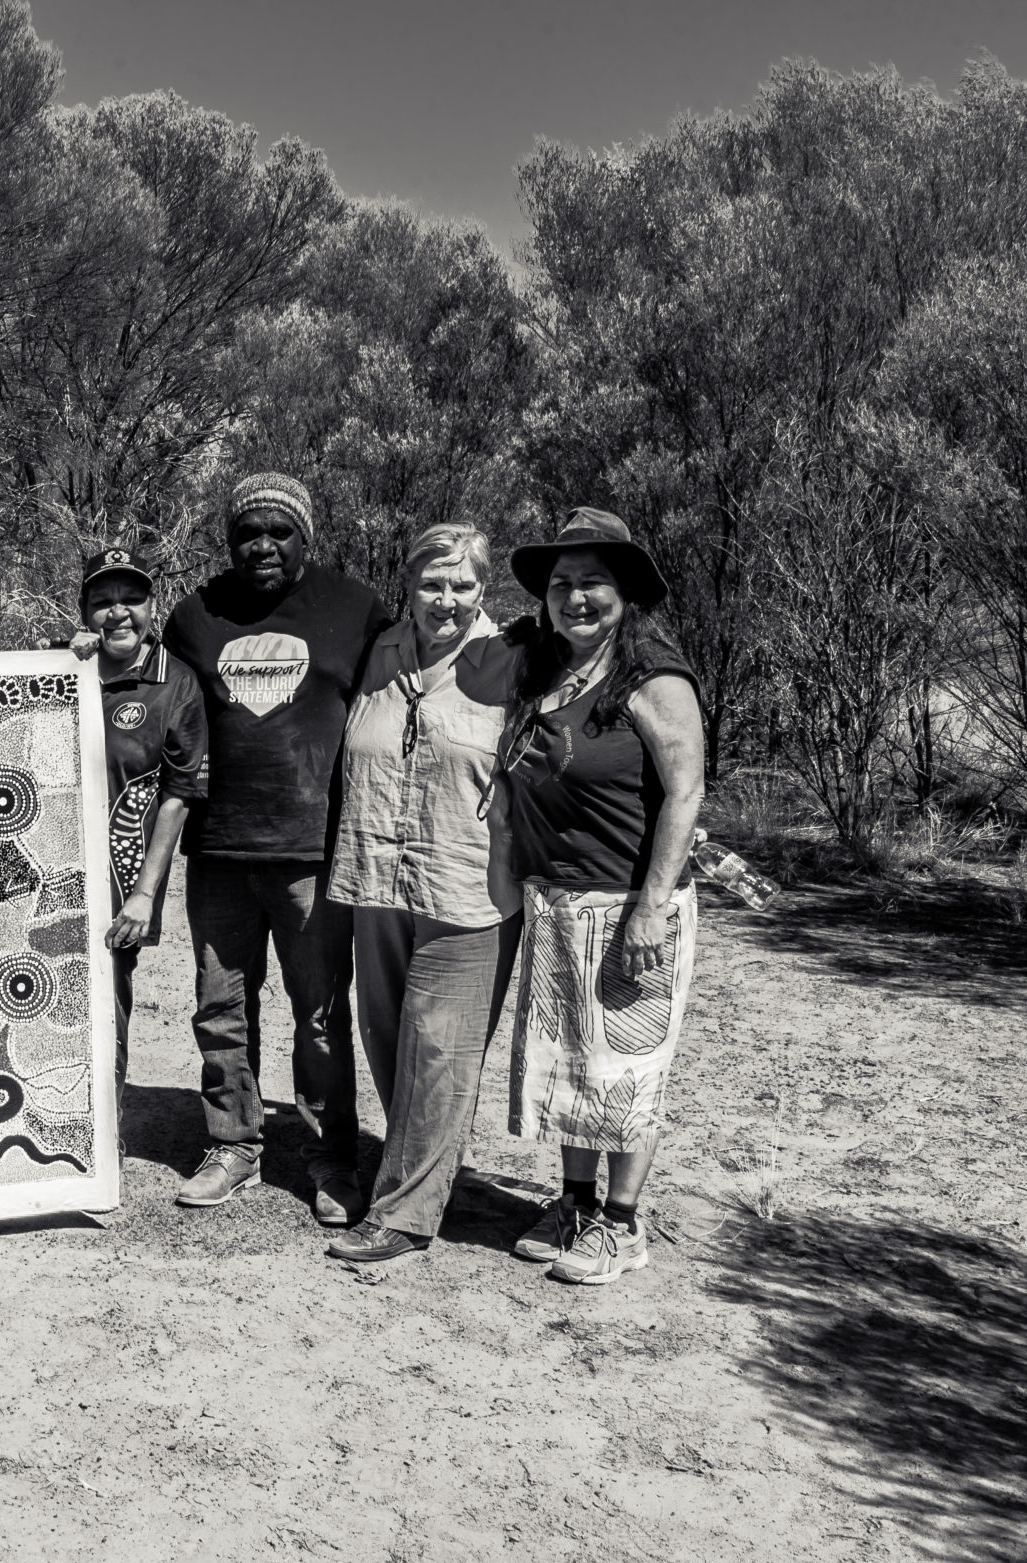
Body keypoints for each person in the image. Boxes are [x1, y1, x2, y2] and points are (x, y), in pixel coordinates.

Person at [161, 473, 386, 1217]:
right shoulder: (195, 615)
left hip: (312, 854)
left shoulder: (355, 609)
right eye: (246, 532)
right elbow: (152, 701)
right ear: (228, 541)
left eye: (278, 531)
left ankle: (330, 1159)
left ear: (306, 537)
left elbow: (417, 668)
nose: (262, 545)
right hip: (218, 850)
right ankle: (235, 1145)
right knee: (220, 1006)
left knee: (321, 1011)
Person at [497, 507, 707, 1285]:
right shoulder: (546, 667)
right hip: (558, 902)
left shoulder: (652, 676)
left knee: (628, 1067)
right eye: (561, 584)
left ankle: (623, 1221)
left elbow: (686, 791)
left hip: (629, 906)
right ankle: (575, 1202)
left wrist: (652, 905)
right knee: (571, 1065)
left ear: (625, 593)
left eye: (593, 582)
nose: (575, 597)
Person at [322, 524, 526, 1264]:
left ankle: (404, 1214)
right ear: (408, 586)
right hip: (376, 878)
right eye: (432, 583)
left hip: (466, 887)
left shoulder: (513, 662)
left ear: (484, 589)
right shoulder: (375, 652)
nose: (447, 599)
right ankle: (424, 1168)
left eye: (463, 584)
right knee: (389, 1041)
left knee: (440, 1050)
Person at [75, 547, 209, 1086]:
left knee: (109, 999)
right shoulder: (60, 668)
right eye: (103, 601)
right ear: (84, 611)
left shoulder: (176, 683)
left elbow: (177, 796)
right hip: (49, 868)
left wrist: (146, 894)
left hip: (118, 879)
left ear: (153, 607)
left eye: (132, 598)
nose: (118, 612)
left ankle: (107, 1136)